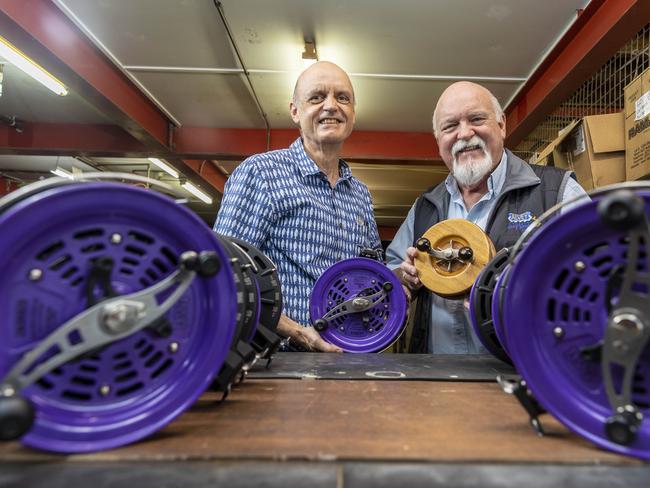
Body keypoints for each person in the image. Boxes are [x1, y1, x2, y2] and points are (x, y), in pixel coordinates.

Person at [386, 81, 588, 354]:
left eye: (477, 119)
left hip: (523, 376)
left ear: (501, 125)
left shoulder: (556, 192)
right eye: (450, 126)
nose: (464, 133)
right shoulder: (425, 206)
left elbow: (594, 282)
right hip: (435, 378)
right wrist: (404, 277)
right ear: (439, 142)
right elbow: (389, 275)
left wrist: (511, 290)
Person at [214, 61, 381, 352]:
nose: (331, 106)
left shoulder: (360, 194)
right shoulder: (261, 173)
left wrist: (401, 277)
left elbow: (371, 275)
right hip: (276, 359)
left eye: (342, 98)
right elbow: (225, 271)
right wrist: (298, 333)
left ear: (353, 113)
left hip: (346, 355)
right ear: (295, 110)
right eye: (317, 97)